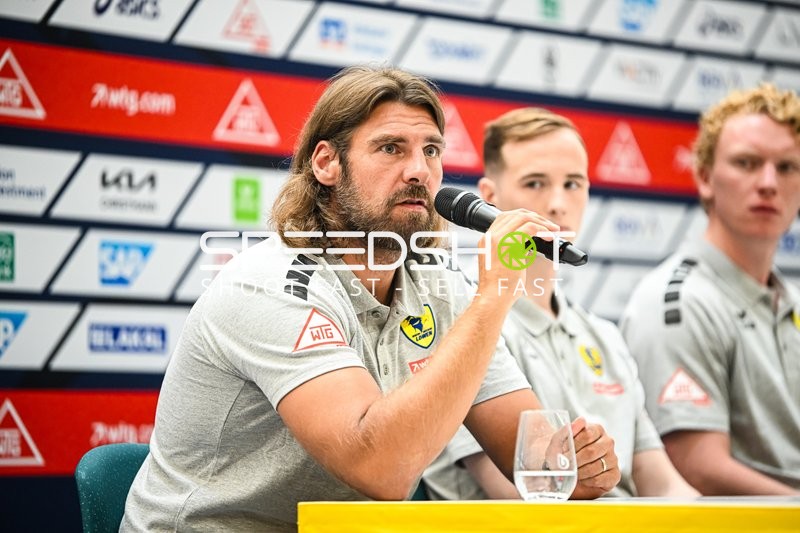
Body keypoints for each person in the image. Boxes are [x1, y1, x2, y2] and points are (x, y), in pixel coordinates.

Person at [120, 66, 619, 532]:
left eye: (431, 151)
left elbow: (534, 460)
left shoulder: (438, 285)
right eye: (390, 149)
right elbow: (382, 469)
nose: (419, 171)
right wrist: (493, 298)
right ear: (327, 163)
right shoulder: (269, 284)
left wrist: (578, 461)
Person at [423, 108, 698, 499]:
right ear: (489, 198)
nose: (556, 203)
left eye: (573, 184)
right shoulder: (465, 326)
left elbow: (665, 484)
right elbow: (518, 497)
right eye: (535, 183)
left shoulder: (605, 336)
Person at [619, 84, 800, 495]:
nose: (769, 182)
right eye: (747, 163)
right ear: (704, 177)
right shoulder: (678, 300)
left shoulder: (789, 300)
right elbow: (696, 466)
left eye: (787, 167)